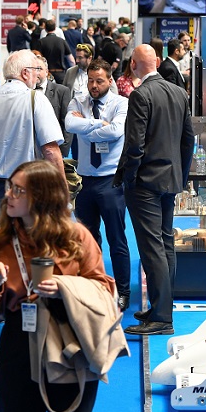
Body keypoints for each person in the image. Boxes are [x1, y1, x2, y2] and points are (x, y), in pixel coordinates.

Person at [0, 160, 116, 412]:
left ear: (43, 197)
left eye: (18, 190)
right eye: (9, 187)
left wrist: (65, 288)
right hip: (19, 342)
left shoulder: (77, 238)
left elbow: (104, 290)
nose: (8, 195)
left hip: (70, 339)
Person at [116, 44, 194, 336]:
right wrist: (180, 175)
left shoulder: (141, 95)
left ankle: (161, 317)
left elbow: (134, 144)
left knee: (152, 248)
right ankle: (162, 308)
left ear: (134, 65)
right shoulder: (179, 93)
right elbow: (189, 140)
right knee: (165, 243)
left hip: (146, 182)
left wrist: (130, 178)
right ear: (158, 63)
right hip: (170, 180)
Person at [0, 50, 64, 238]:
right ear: (25, 72)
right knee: (30, 248)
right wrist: (62, 190)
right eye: (36, 70)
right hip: (29, 189)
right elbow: (51, 150)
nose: (38, 75)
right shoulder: (36, 99)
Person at [66, 59, 132, 311]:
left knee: (117, 239)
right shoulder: (78, 101)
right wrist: (97, 124)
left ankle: (123, 291)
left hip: (110, 182)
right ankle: (93, 288)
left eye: (99, 81)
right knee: (87, 241)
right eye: (91, 81)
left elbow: (116, 131)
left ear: (110, 80)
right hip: (84, 182)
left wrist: (85, 129)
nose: (94, 86)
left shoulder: (121, 103)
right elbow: (70, 125)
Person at [34, 55, 72, 157]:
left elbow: (66, 125)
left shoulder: (61, 91)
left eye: (39, 69)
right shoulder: (25, 92)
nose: (36, 73)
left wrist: (61, 153)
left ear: (47, 72)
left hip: (54, 150)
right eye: (33, 69)